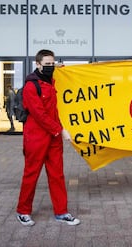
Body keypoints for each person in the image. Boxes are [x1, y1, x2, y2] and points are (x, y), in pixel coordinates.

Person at [16, 49, 80, 226]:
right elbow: (39, 114)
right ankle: (23, 211)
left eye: (53, 64)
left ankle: (61, 212)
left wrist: (59, 66)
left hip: (53, 139)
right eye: (47, 64)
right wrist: (60, 130)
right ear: (37, 64)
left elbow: (62, 71)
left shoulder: (51, 81)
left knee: (57, 175)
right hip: (36, 137)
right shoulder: (31, 86)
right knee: (31, 174)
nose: (51, 67)